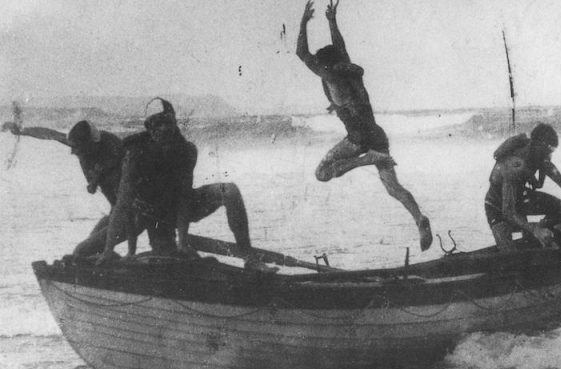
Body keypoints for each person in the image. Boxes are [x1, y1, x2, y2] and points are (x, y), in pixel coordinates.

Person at [295, 0, 433, 251]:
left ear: (326, 65)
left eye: (320, 64)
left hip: (357, 140)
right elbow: (340, 48)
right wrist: (331, 21)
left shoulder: (331, 76)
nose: (316, 66)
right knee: (394, 189)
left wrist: (304, 21)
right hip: (377, 137)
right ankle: (419, 218)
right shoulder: (348, 72)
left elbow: (302, 53)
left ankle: (363, 161)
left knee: (323, 173)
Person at [97, 98, 276, 272]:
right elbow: (122, 204)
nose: (165, 133)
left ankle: (249, 258)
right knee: (162, 255)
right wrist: (109, 249)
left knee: (229, 190)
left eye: (169, 126)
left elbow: (184, 196)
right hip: (149, 213)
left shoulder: (186, 150)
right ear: (151, 131)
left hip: (177, 208)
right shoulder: (136, 155)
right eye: (159, 127)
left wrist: (182, 241)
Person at [1, 119, 133, 255]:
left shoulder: (117, 161)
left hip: (130, 216)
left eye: (77, 148)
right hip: (118, 213)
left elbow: (125, 203)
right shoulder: (89, 144)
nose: (72, 152)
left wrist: (125, 251)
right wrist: (22, 131)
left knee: (83, 251)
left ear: (90, 145)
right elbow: (51, 134)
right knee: (87, 250)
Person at [485, 123, 561, 251]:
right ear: (536, 146)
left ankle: (541, 229)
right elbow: (508, 212)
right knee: (509, 255)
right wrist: (534, 229)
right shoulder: (513, 166)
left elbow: (549, 167)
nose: (548, 156)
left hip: (520, 198)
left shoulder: (537, 152)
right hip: (497, 207)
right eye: (547, 152)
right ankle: (535, 232)